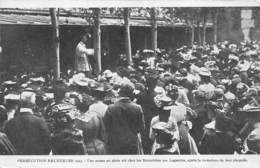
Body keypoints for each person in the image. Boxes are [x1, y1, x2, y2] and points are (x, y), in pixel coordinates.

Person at [104, 82, 145, 154]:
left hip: (115, 142)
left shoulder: (111, 108)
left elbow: (106, 126)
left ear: (120, 92)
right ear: (131, 93)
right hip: (131, 142)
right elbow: (141, 127)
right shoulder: (137, 108)